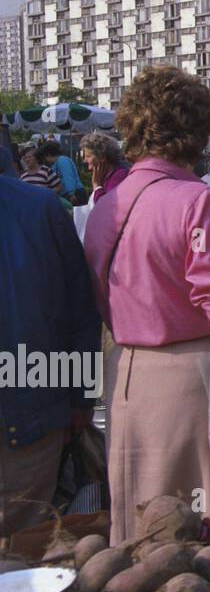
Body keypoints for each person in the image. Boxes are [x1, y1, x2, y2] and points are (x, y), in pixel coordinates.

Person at [84, 67, 210, 546]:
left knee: (142, 530)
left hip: (124, 377)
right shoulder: (197, 201)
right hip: (192, 380)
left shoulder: (107, 203)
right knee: (206, 533)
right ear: (199, 131)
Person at [0, 179, 101, 537]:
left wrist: (82, 397)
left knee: (21, 553)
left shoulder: (40, 209)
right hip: (34, 408)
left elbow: (81, 312)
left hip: (29, 420)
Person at [80, 132, 129, 206]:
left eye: (88, 156)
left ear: (102, 156)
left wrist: (97, 186)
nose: (84, 160)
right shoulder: (105, 176)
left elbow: (105, 208)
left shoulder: (119, 176)